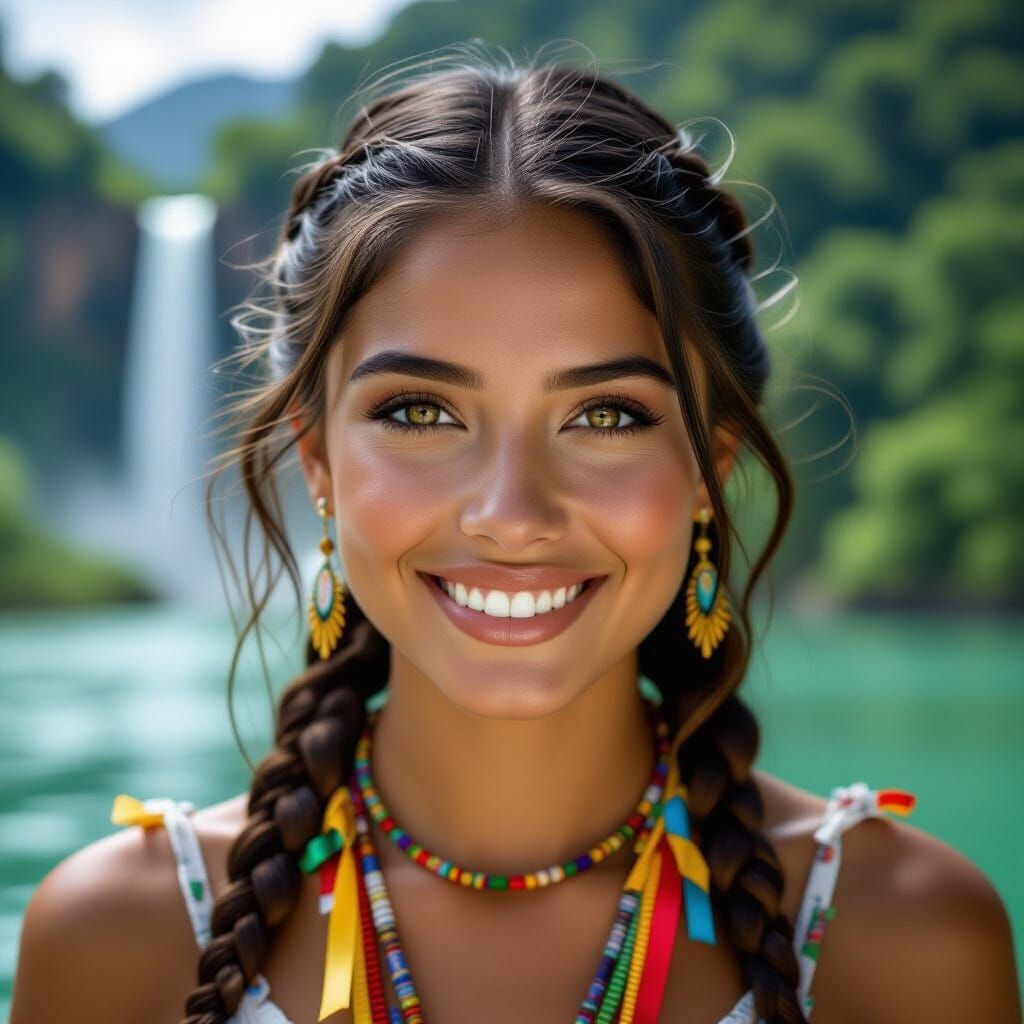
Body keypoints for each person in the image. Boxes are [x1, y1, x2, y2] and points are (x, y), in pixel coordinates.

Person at [11, 51, 1020, 1024]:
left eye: (607, 415)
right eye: (419, 411)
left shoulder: (904, 931)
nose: (511, 511)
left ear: (710, 465)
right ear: (316, 461)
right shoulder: (117, 934)